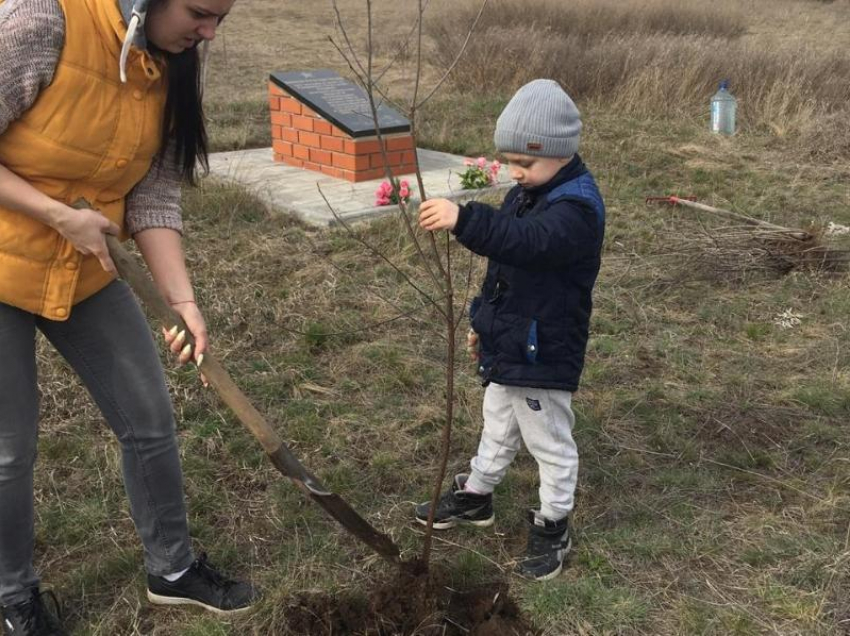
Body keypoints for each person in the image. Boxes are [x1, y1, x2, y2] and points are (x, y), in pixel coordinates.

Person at [0, 0, 259, 633]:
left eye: (221, 17)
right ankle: (13, 596)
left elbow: (153, 194)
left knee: (148, 416)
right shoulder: (42, 23)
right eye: (201, 12)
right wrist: (59, 215)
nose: (209, 32)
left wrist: (184, 304)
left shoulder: (169, 59)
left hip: (87, 265)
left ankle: (171, 570)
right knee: (9, 448)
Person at [416, 79, 605, 581]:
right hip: (515, 339)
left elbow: (525, 244)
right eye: (509, 162)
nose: (515, 173)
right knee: (497, 420)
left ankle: (554, 523)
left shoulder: (575, 210)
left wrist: (465, 218)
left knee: (549, 441)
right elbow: (505, 271)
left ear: (561, 154)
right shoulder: (532, 192)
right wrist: (483, 322)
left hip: (544, 349)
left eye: (526, 164)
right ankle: (477, 496)